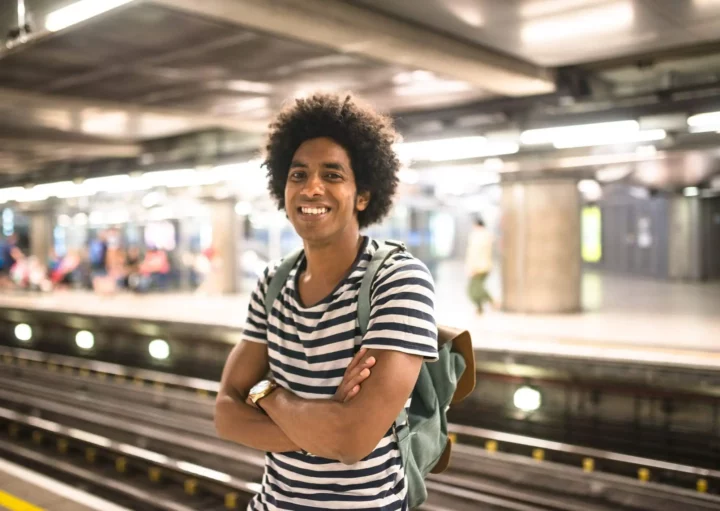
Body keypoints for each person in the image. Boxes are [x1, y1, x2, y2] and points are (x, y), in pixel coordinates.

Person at [214, 93, 438, 510]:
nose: (311, 187)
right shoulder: (273, 282)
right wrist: (327, 425)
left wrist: (268, 395)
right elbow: (225, 415)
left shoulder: (397, 280)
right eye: (298, 175)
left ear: (363, 195)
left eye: (332, 175)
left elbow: (351, 440)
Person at [465, 215, 495, 313]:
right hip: (485, 266)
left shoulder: (477, 236)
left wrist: (473, 268)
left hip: (478, 267)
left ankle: (491, 301)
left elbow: (475, 253)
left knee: (474, 289)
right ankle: (480, 308)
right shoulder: (487, 235)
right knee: (477, 287)